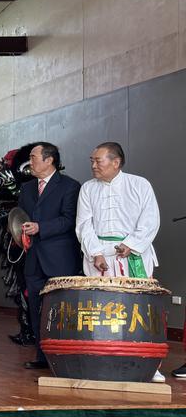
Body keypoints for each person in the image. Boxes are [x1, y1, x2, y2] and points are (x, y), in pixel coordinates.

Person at [75, 143, 169, 381]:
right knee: (102, 310)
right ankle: (102, 361)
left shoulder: (139, 184)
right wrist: (95, 253)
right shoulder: (87, 188)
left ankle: (149, 364)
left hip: (133, 255)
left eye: (98, 161)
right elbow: (84, 225)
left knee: (139, 310)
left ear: (115, 162)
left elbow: (150, 220)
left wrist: (131, 244)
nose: (93, 165)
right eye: (92, 160)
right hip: (99, 257)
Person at [17, 142, 82, 369]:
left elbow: (69, 220)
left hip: (60, 259)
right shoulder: (26, 188)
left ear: (49, 160)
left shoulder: (70, 186)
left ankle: (65, 357)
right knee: (36, 309)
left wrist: (40, 227)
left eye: (33, 158)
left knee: (62, 308)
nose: (30, 162)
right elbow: (20, 218)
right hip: (33, 259)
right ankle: (42, 356)